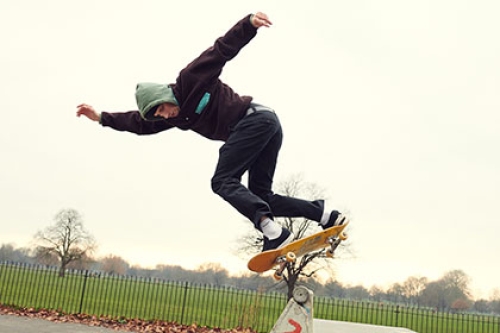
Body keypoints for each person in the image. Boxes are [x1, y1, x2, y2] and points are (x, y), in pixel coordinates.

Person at [76, 12, 347, 252]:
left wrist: (248, 24)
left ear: (163, 95)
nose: (163, 116)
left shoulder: (190, 79)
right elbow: (137, 123)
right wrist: (101, 117)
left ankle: (272, 231)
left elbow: (220, 51)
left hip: (256, 120)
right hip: (264, 127)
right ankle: (325, 216)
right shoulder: (174, 117)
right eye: (159, 116)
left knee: (222, 181)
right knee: (262, 195)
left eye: (160, 110)